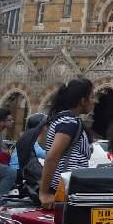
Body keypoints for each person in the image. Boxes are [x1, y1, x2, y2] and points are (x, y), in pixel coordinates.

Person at [39, 79, 95, 209]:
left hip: (68, 190)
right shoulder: (69, 122)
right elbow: (52, 157)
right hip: (62, 192)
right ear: (83, 100)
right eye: (92, 96)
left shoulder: (67, 120)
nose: (94, 101)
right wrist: (44, 193)